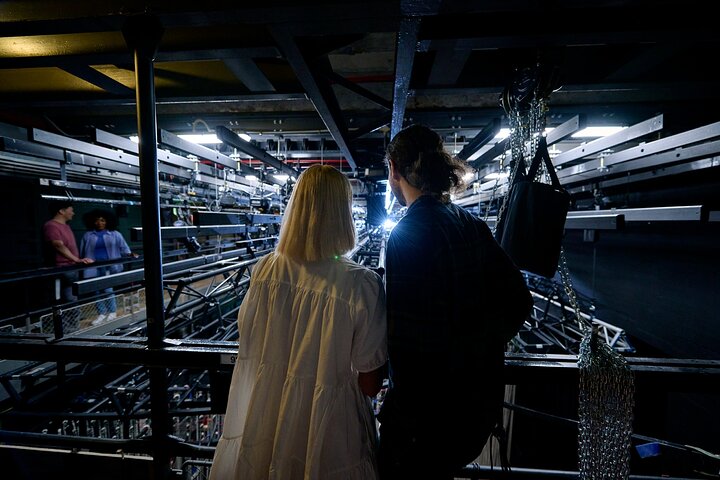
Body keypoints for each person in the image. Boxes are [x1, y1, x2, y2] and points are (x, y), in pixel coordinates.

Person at [209, 164, 388, 480]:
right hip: (330, 425)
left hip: (266, 413)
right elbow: (370, 382)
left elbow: (250, 342)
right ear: (343, 214)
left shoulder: (265, 271)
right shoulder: (361, 284)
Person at [377, 124, 534, 479]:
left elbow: (407, 344)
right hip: (472, 410)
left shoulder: (406, 234)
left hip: (425, 422)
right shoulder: (472, 225)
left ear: (394, 171)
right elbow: (519, 300)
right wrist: (476, 349)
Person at [79, 209, 137, 325]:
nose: (99, 223)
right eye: (97, 221)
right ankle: (101, 314)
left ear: (107, 221)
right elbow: (82, 252)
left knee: (108, 289)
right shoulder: (88, 235)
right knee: (96, 291)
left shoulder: (115, 234)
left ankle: (112, 312)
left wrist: (130, 254)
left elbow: (124, 248)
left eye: (102, 220)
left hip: (108, 267)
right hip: (93, 267)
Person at [42, 200, 94, 304]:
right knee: (68, 299)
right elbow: (58, 245)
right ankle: (68, 319)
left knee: (72, 297)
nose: (73, 213)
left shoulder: (66, 226)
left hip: (71, 267)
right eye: (71, 210)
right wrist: (77, 259)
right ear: (61, 211)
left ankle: (73, 319)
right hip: (62, 268)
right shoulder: (51, 225)